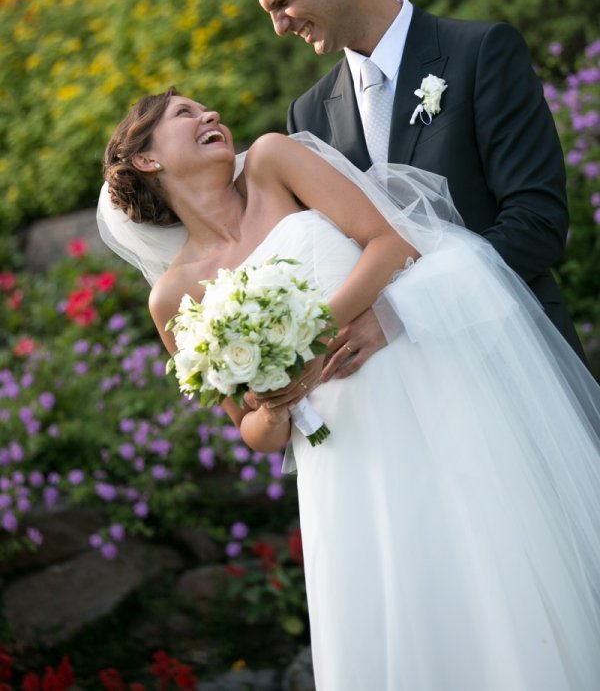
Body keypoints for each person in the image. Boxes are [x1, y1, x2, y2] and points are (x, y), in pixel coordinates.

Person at [99, 87, 600, 691]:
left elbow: (392, 243)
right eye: (185, 115)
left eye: (209, 107)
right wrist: (276, 404)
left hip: (426, 393)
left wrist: (307, 339)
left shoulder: (271, 161)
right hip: (344, 460)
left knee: (494, 567)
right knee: (409, 607)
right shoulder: (173, 296)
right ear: (147, 160)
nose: (212, 114)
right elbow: (253, 432)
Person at [228, 0, 588, 384]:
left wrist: (406, 314)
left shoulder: (482, 55)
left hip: (519, 369)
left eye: (282, 1)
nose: (280, 26)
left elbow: (538, 224)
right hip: (401, 400)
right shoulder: (307, 118)